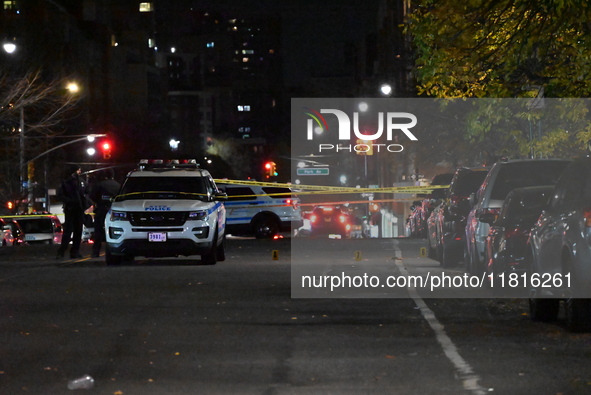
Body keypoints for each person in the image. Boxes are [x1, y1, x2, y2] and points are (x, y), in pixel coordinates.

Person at [56, 165, 91, 259]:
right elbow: (60, 195)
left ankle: (72, 251)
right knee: (70, 231)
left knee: (76, 231)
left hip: (78, 209)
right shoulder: (67, 182)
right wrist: (70, 201)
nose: (79, 171)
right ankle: (64, 251)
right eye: (78, 170)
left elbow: (87, 193)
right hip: (71, 209)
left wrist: (85, 203)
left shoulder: (80, 182)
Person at [89, 168, 120, 257]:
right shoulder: (118, 186)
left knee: (98, 231)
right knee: (112, 230)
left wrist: (98, 202)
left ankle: (96, 251)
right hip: (113, 211)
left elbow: (92, 196)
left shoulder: (100, 185)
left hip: (101, 209)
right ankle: (112, 250)